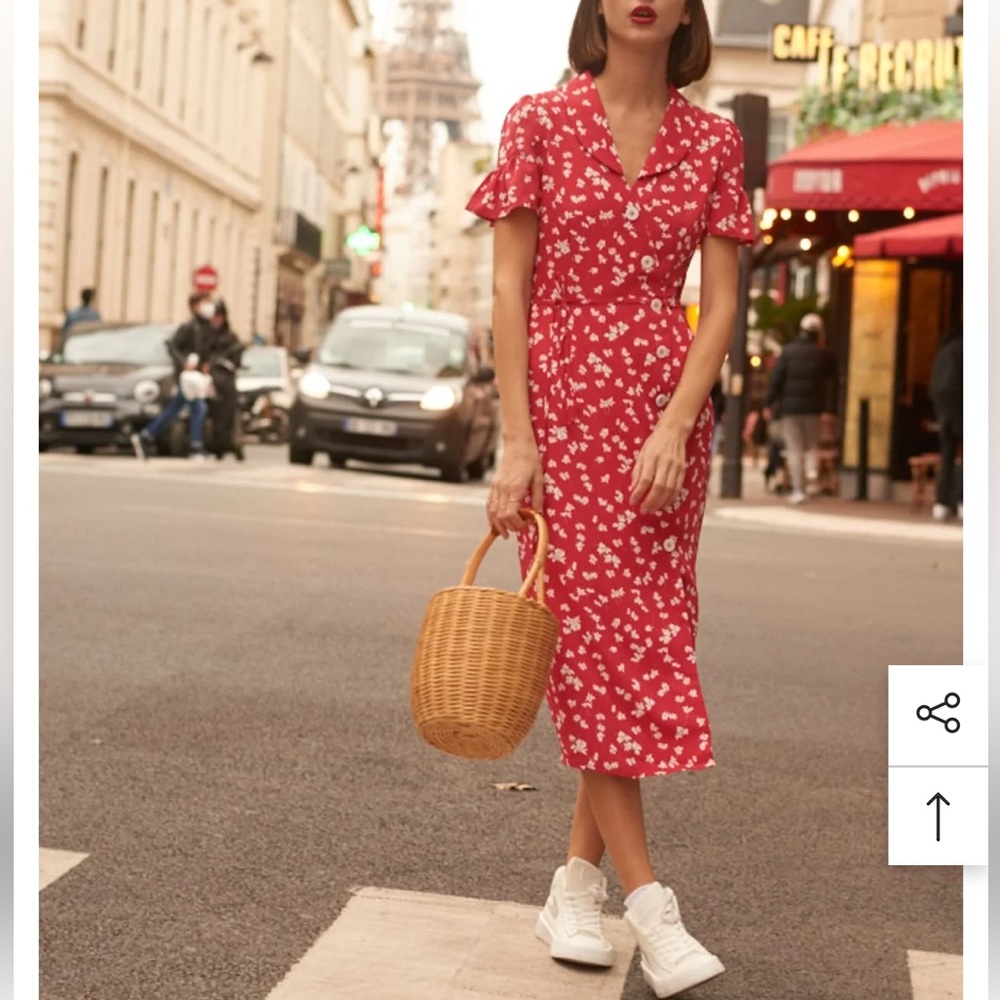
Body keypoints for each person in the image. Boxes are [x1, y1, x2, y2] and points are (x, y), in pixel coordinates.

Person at [466, 2, 754, 996]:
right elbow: (509, 289)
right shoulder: (538, 121)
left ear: (685, 10)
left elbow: (718, 304)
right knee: (591, 652)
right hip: (557, 417)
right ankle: (651, 905)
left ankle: (572, 885)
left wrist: (676, 424)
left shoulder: (714, 139)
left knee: (632, 647)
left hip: (660, 428)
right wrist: (515, 440)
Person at [131, 293, 217, 460]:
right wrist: (184, 362)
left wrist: (205, 365)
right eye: (204, 303)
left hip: (194, 376)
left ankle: (146, 435)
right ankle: (195, 447)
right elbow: (172, 346)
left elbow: (204, 351)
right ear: (194, 306)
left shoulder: (204, 327)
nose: (208, 306)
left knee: (174, 409)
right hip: (186, 377)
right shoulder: (188, 326)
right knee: (199, 408)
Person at [763, 313, 837, 505]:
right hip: (814, 407)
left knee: (794, 448)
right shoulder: (823, 354)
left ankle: (798, 488)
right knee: (812, 444)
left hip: (790, 408)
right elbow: (833, 382)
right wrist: (830, 408)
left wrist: (768, 403)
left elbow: (775, 380)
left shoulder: (787, 352)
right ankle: (811, 475)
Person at [929, 328, 962, 521]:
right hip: (961, 405)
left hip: (943, 409)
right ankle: (962, 500)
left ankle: (942, 503)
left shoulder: (942, 354)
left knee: (947, 454)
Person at [206, 299, 246, 461]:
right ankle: (215, 444)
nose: (216, 321)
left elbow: (236, 358)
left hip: (226, 380)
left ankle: (231, 445)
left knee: (230, 414)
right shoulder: (207, 334)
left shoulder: (230, 337)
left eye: (219, 317)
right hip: (209, 380)